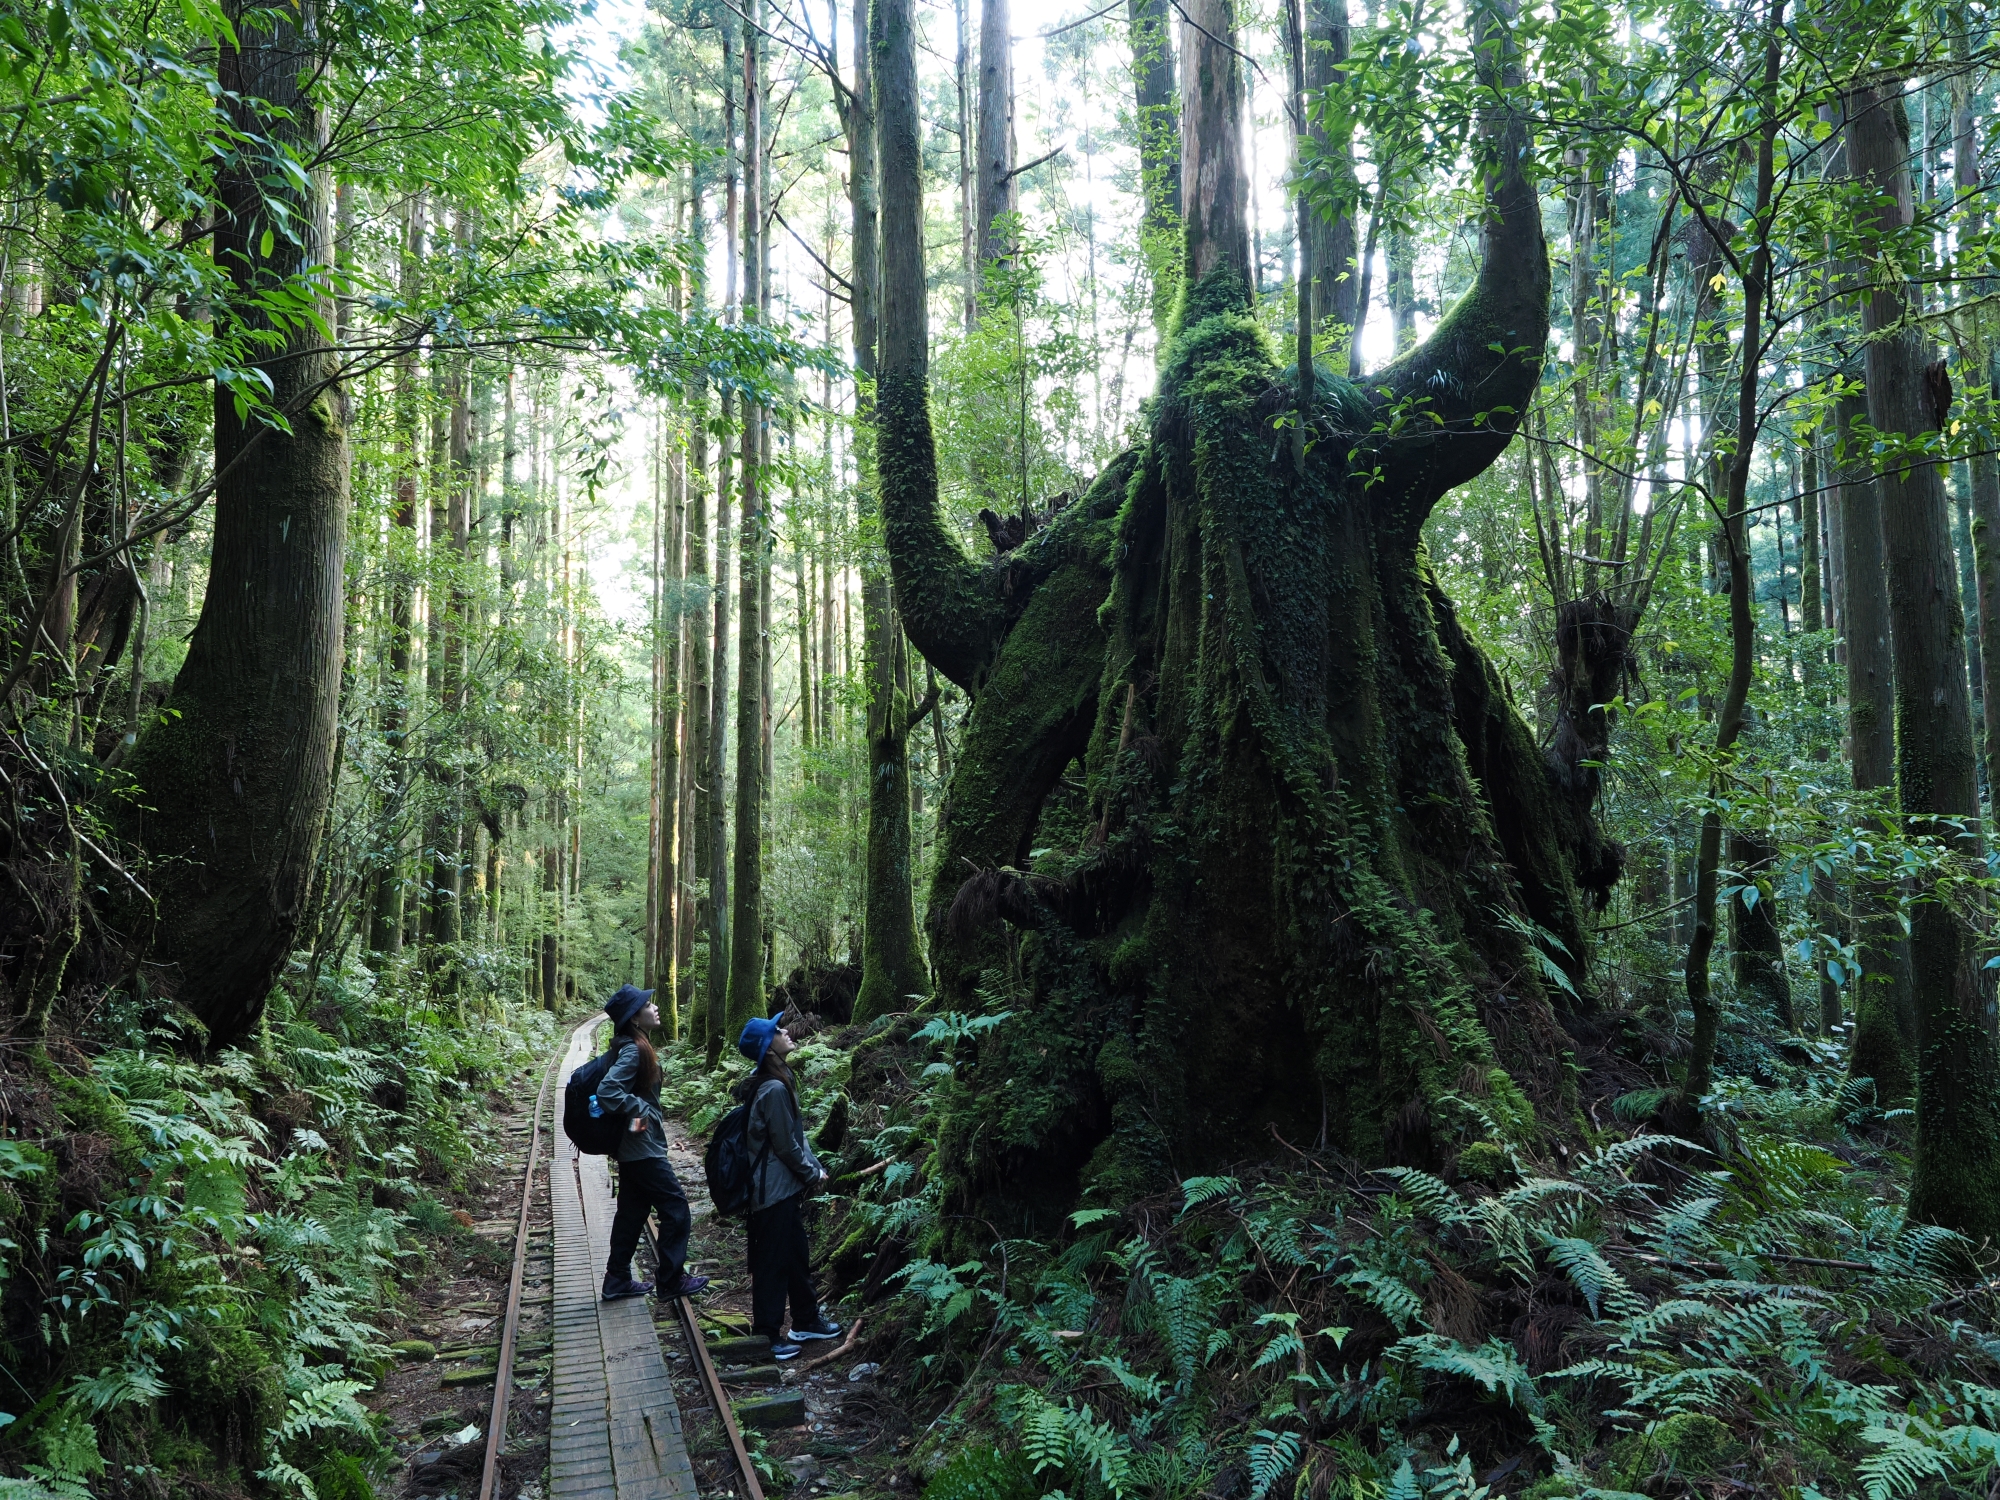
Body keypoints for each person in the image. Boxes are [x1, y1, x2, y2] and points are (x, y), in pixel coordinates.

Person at [734, 1013, 841, 1360]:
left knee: (796, 1255)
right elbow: (785, 1145)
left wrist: (815, 1167)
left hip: (781, 1188)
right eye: (777, 1031)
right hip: (771, 1192)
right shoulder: (774, 1088)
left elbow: (795, 1137)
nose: (785, 1031)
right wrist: (812, 1174)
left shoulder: (778, 1080)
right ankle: (766, 1335)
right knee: (772, 1263)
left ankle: (806, 1319)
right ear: (768, 1049)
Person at [595, 983, 709, 1302]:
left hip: (635, 1145)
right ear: (634, 1018)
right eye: (648, 1004)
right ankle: (671, 1280)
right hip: (641, 1149)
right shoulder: (633, 1050)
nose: (655, 1007)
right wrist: (640, 1108)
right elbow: (607, 1092)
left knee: (632, 1214)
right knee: (676, 1208)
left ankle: (616, 1279)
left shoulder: (635, 1045)